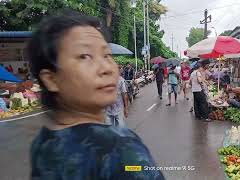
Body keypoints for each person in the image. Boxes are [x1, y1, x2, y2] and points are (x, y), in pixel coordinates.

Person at [28, 10, 164, 180]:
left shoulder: (43, 143)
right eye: (84, 56)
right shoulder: (121, 148)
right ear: (51, 79)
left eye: (107, 55)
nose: (107, 68)